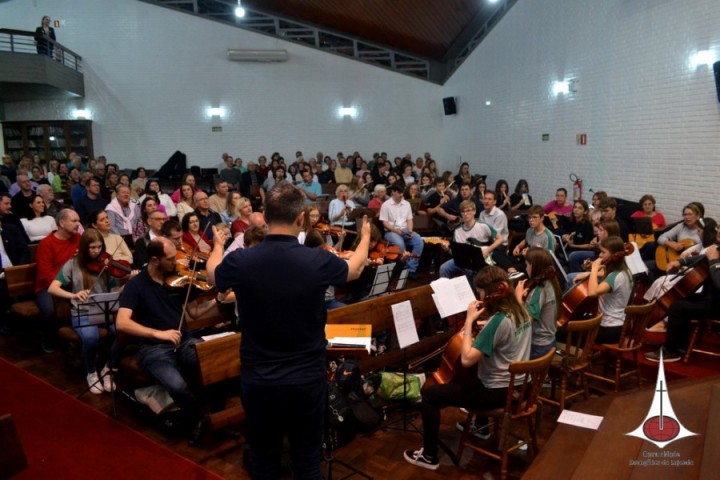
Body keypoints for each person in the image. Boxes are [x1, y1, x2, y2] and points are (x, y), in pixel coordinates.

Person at [209, 183, 371, 479]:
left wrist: (218, 246)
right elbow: (356, 269)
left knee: (263, 459)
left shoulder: (241, 260)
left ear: (265, 217)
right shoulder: (317, 260)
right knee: (307, 461)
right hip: (306, 379)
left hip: (259, 380)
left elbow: (213, 275)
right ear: (300, 220)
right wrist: (366, 238)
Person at [403, 266, 531, 470]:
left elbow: (466, 359)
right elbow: (501, 334)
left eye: (480, 293)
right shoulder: (521, 309)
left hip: (498, 392)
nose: (479, 298)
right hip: (524, 387)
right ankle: (481, 427)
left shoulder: (498, 322)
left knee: (430, 395)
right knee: (474, 375)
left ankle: (429, 456)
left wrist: (470, 321)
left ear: (490, 293)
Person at [116, 237, 218, 445]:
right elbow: (122, 323)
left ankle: (217, 417)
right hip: (154, 348)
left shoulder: (176, 280)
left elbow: (194, 313)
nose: (178, 263)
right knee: (177, 386)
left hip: (184, 340)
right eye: (171, 260)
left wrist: (217, 300)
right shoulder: (136, 285)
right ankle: (200, 421)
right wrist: (158, 334)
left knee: (214, 362)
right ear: (155, 260)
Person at [48, 229, 123, 393]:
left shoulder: (106, 263)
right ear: (84, 248)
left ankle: (109, 368)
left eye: (99, 247)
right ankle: (91, 372)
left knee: (123, 333)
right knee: (91, 338)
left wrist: (124, 286)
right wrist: (74, 294)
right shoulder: (73, 264)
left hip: (105, 310)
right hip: (83, 311)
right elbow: (52, 288)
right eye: (92, 248)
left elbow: (115, 289)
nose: (97, 251)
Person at [645, 223, 720, 362]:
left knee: (678, 307)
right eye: (718, 228)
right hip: (711, 297)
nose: (718, 231)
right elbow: (703, 259)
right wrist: (681, 261)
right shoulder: (717, 249)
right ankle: (680, 345)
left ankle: (671, 350)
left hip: (717, 304)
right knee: (680, 298)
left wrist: (714, 261)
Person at [567, 236, 633, 344]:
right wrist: (590, 271)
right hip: (619, 325)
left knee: (563, 332)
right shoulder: (625, 271)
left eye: (603, 252)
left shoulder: (615, 276)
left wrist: (594, 269)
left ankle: (579, 357)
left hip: (609, 329)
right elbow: (604, 274)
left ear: (614, 255)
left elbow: (593, 292)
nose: (600, 255)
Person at [35, 208, 82, 353]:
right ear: (62, 222)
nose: (78, 224)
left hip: (71, 282)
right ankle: (48, 340)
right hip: (47, 285)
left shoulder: (78, 239)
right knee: (49, 311)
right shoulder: (46, 243)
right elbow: (45, 274)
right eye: (74, 221)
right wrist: (61, 287)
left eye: (79, 221)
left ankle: (78, 340)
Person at [439, 200, 504, 284]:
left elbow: (500, 239)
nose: (465, 214)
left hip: (479, 259)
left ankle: (473, 294)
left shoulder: (483, 226)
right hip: (463, 260)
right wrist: (447, 250)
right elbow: (456, 254)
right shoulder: (457, 231)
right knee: (444, 268)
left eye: (468, 210)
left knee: (470, 270)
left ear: (474, 211)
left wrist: (488, 249)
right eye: (463, 211)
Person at [515, 247, 561, 358]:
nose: (526, 268)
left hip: (537, 346)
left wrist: (518, 298)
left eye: (527, 265)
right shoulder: (551, 282)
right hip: (549, 342)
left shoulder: (539, 290)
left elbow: (526, 321)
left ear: (534, 266)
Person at [379, 183, 424, 279]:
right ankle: (405, 268)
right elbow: (385, 223)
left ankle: (411, 268)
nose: (401, 195)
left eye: (402, 193)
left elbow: (409, 220)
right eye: (399, 193)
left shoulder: (407, 204)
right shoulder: (386, 205)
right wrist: (395, 230)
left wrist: (411, 231)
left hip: (405, 229)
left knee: (419, 241)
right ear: (393, 192)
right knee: (400, 243)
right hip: (390, 231)